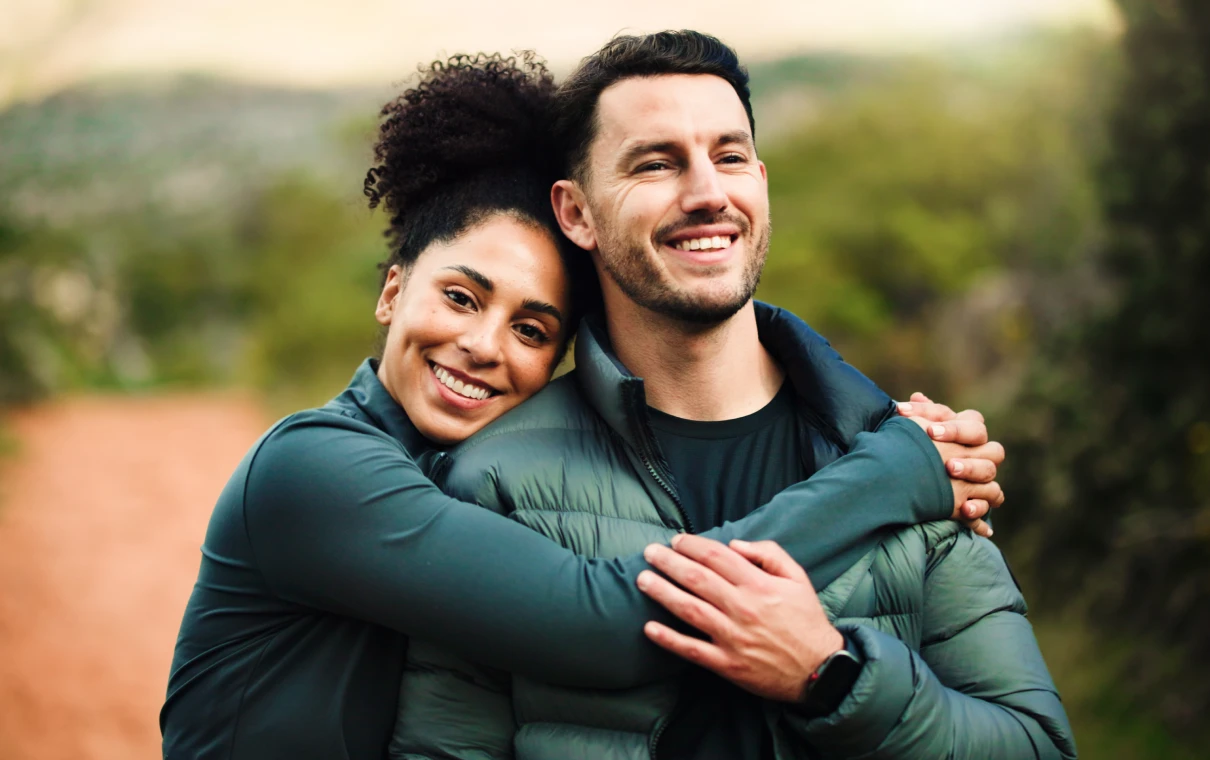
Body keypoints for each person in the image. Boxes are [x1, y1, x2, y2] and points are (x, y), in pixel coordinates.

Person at [160, 53, 1005, 760]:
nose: (486, 346)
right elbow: (604, 623)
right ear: (391, 291)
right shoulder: (312, 468)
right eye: (460, 297)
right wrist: (895, 472)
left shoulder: (460, 473)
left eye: (531, 327)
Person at [387, 33, 1077, 760]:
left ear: (760, 180)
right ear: (577, 213)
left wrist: (834, 680)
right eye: (656, 163)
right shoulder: (494, 483)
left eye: (729, 156)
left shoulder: (914, 454)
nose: (708, 193)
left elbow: (1036, 746)